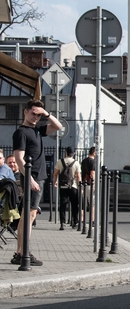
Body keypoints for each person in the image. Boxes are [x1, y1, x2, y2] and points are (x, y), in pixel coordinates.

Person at [11, 99, 63, 266]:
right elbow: (19, 158)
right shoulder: (21, 132)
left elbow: (58, 126)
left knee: (28, 215)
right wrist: (31, 179)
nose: (35, 117)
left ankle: (20, 252)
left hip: (38, 176)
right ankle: (23, 253)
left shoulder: (38, 131)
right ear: (25, 112)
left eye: (38, 115)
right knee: (29, 215)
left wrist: (46, 114)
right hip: (32, 176)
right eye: (33, 113)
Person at [53, 146, 82, 230]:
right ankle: (75, 222)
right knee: (74, 205)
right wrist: (80, 186)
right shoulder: (76, 163)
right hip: (73, 186)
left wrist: (55, 181)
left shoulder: (60, 161)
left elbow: (55, 173)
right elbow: (78, 176)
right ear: (74, 153)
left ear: (66, 152)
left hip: (63, 186)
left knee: (63, 204)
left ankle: (62, 223)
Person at [81, 146, 96, 225]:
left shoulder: (84, 161)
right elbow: (92, 173)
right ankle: (92, 220)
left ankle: (82, 219)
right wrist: (94, 185)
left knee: (83, 202)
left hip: (83, 183)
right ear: (94, 153)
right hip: (90, 184)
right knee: (92, 203)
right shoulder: (92, 162)